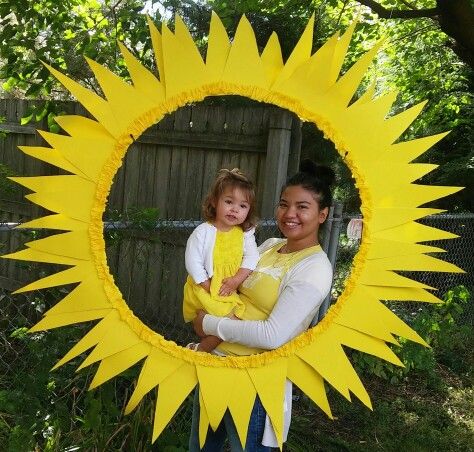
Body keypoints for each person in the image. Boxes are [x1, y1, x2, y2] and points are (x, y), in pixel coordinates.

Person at [190, 159, 335, 451]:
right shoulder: (268, 246)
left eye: (302, 207)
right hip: (214, 366)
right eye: (284, 204)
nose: (289, 214)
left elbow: (273, 336)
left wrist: (207, 324)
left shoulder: (314, 268)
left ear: (322, 214)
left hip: (254, 383)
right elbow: (229, 289)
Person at [183, 168, 259, 352]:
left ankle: (199, 350)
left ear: (248, 211)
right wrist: (207, 285)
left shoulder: (244, 234)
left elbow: (252, 257)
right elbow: (192, 261)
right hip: (205, 288)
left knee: (230, 324)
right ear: (214, 202)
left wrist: (236, 280)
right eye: (229, 202)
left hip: (228, 288)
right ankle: (201, 350)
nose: (235, 209)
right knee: (229, 323)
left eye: (243, 206)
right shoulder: (204, 231)